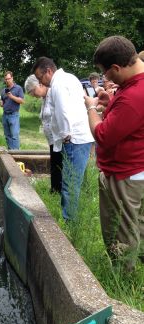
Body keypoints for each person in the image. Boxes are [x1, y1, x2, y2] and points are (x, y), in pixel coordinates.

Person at [85, 35, 144, 271]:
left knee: (121, 231)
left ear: (117, 67)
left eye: (105, 72)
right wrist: (111, 102)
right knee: (137, 224)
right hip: (135, 170)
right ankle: (136, 272)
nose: (104, 78)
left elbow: (102, 136)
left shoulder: (133, 96)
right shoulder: (134, 87)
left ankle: (122, 278)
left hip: (124, 174)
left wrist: (91, 107)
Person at [32, 57, 93, 220]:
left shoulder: (58, 84)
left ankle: (69, 221)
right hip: (80, 136)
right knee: (72, 181)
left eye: (40, 78)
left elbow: (62, 111)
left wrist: (65, 135)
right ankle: (69, 216)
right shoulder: (70, 78)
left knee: (70, 184)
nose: (41, 83)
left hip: (73, 138)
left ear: (49, 71)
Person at [24, 74, 62, 193]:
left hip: (58, 139)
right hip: (52, 140)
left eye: (32, 91)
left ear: (39, 84)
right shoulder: (44, 98)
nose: (32, 95)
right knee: (54, 164)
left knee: (59, 165)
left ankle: (59, 190)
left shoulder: (53, 94)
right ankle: (54, 189)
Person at [0, 71, 24, 150]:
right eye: (6, 79)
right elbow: (3, 101)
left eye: (9, 79)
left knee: (14, 136)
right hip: (5, 115)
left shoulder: (18, 88)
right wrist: (1, 103)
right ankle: (10, 152)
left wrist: (12, 96)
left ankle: (17, 154)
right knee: (7, 136)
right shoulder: (3, 90)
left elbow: (22, 101)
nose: (7, 80)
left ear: (12, 78)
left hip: (14, 115)